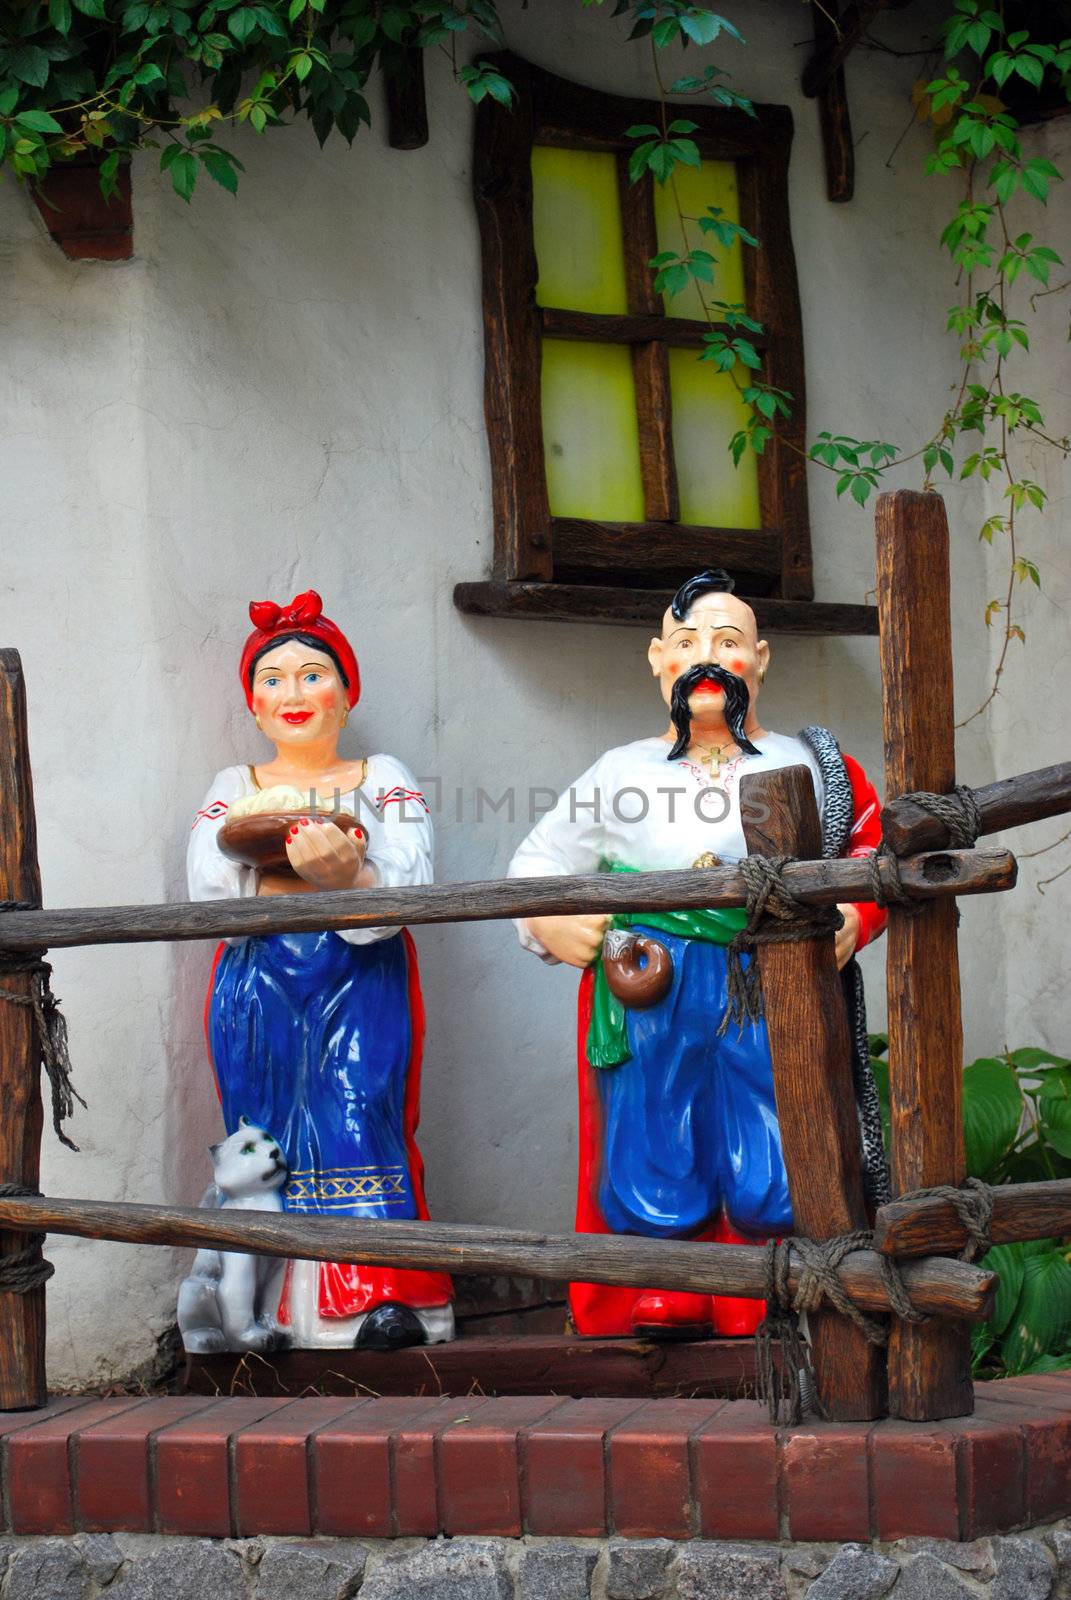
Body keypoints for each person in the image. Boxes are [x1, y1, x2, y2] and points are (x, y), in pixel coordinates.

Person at [508, 570, 887, 1341]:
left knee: (776, 1115)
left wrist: (854, 912)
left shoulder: (810, 762)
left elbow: (873, 847)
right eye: (686, 644)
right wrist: (549, 920)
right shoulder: (619, 772)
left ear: (760, 658)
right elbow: (534, 866)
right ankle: (666, 1284)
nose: (705, 659)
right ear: (656, 660)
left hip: (771, 969)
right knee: (655, 1121)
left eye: (725, 642)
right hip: (655, 977)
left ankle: (767, 1281)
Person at [187, 589, 453, 1350]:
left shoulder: (380, 775)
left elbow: (410, 879)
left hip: (358, 977)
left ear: (345, 693)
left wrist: (352, 881)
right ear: (252, 702)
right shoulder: (232, 788)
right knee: (261, 1127)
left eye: (312, 675)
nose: (293, 693)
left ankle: (379, 1297)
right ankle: (263, 1310)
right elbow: (207, 885)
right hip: (258, 977)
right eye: (272, 678)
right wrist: (324, 875)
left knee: (359, 1111)